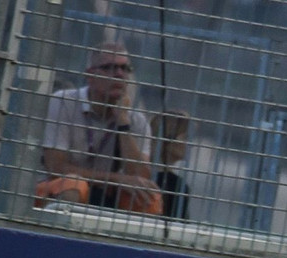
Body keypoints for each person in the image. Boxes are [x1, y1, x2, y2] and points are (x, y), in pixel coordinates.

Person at [35, 42, 162, 215]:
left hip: (106, 193)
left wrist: (123, 125)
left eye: (125, 68)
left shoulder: (136, 120)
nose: (119, 74)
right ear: (90, 75)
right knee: (73, 185)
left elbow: (140, 176)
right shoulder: (63, 102)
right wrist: (118, 179)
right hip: (56, 187)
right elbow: (56, 167)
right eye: (109, 67)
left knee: (148, 198)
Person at [152, 109, 191, 220]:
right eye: (186, 138)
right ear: (167, 139)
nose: (190, 144)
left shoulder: (139, 173)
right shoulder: (176, 185)